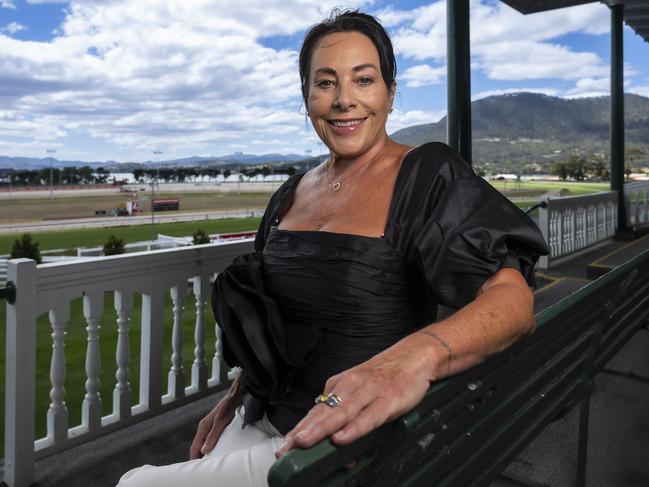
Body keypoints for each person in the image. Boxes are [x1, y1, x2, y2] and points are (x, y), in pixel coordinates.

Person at [117, 9, 548, 487]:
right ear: (306, 98)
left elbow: (513, 302)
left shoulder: (427, 175)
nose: (345, 100)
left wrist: (411, 361)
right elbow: (281, 322)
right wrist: (238, 396)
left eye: (364, 80)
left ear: (390, 92)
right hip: (264, 414)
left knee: (135, 483)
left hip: (340, 443)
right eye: (325, 83)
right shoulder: (291, 192)